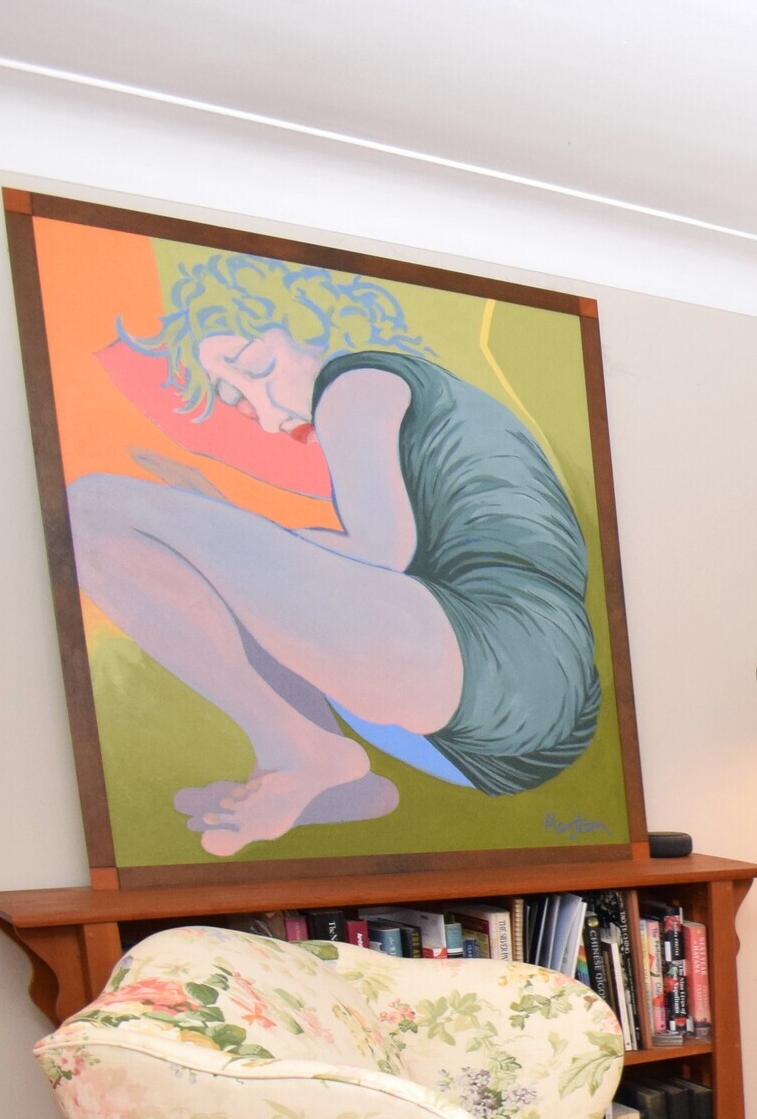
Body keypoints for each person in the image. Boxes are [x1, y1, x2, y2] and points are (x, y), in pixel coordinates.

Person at [68, 253, 599, 856]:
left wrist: (228, 532)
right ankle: (333, 782)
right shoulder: (392, 395)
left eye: (252, 364)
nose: (252, 403)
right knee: (210, 575)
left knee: (93, 507)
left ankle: (297, 750)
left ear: (307, 326)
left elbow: (378, 556)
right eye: (230, 392)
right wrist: (224, 538)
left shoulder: (358, 382)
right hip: (500, 722)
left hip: (503, 657)